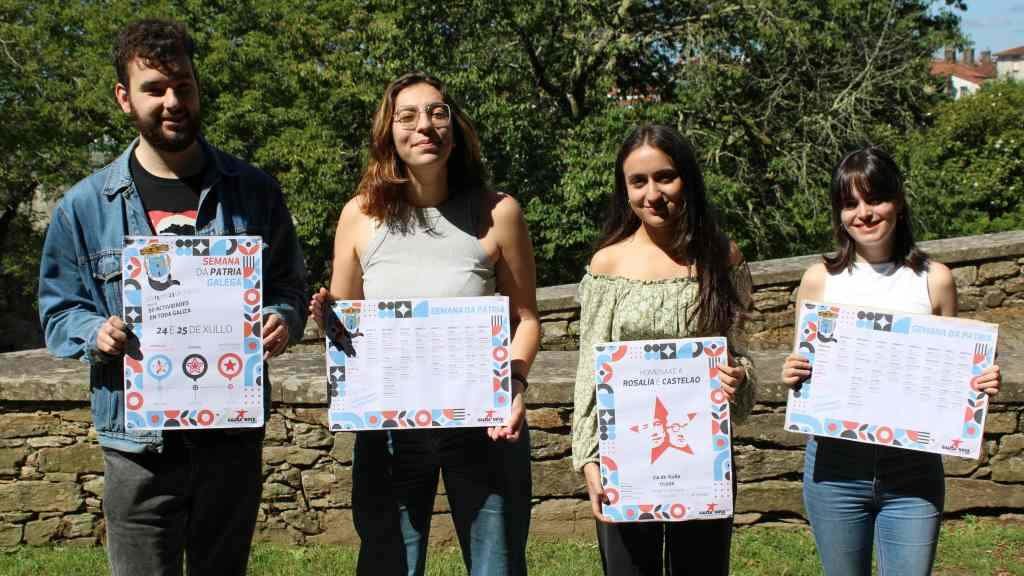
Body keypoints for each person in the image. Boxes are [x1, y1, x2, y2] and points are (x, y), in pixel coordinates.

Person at [37, 19, 307, 576]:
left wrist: (282, 317)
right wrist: (96, 332)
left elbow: (288, 286)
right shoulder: (84, 207)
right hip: (138, 451)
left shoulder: (253, 191)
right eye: (154, 88)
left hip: (228, 441)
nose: (172, 101)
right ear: (124, 98)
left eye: (182, 85)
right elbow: (58, 309)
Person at [308, 72, 539, 576]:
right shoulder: (359, 216)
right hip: (390, 431)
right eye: (407, 116)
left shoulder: (499, 213)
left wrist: (514, 383)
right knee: (388, 565)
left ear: (455, 128)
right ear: (388, 132)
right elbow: (348, 333)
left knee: (496, 567)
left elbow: (526, 319)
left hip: (484, 425)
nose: (424, 126)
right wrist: (329, 319)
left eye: (438, 113)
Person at [781, 146, 1001, 576]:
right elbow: (805, 371)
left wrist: (978, 381)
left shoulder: (934, 279)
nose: (863, 213)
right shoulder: (818, 280)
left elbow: (952, 374)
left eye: (874, 199)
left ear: (897, 201)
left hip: (913, 470)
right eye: (850, 203)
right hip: (834, 467)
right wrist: (794, 374)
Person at [571, 124, 755, 576]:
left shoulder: (721, 256)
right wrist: (590, 461)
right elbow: (589, 373)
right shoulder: (607, 263)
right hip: (626, 458)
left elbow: (742, 352)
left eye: (665, 177)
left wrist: (740, 376)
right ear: (625, 189)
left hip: (702, 459)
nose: (652, 193)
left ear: (686, 179)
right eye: (638, 181)